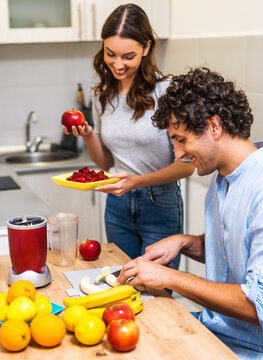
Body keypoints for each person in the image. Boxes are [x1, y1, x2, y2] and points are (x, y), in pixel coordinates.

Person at [117, 67, 263, 359]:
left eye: (182, 139)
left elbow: (262, 306)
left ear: (214, 126)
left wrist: (169, 277)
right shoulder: (223, 178)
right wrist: (183, 241)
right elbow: (238, 250)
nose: (177, 154)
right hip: (225, 333)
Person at [62, 3, 195, 267]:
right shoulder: (102, 93)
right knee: (122, 285)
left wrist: (136, 182)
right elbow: (105, 165)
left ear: (146, 49)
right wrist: (88, 134)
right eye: (110, 54)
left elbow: (186, 166)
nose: (117, 64)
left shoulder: (166, 90)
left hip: (160, 202)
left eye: (128, 56)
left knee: (158, 292)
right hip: (117, 204)